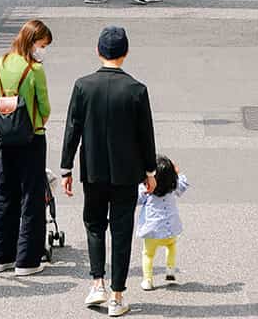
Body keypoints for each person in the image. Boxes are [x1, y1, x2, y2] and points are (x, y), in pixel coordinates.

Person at [61, 26, 158, 318]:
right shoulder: (137, 90)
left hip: (92, 170)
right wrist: (149, 170)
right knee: (121, 231)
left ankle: (96, 284)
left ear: (98, 51)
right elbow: (146, 135)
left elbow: (72, 129)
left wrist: (66, 168)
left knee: (93, 225)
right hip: (127, 173)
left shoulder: (83, 86)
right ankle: (117, 296)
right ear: (126, 53)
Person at [0, 19, 53, 276]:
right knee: (31, 197)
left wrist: (7, 120)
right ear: (32, 41)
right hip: (32, 139)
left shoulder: (0, 63)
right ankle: (27, 260)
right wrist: (31, 122)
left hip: (4, 140)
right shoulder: (34, 70)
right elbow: (44, 109)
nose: (43, 50)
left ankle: (1, 255)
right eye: (42, 44)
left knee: (5, 195)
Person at [136, 154, 189, 290]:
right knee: (171, 247)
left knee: (148, 254)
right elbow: (183, 183)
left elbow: (136, 199)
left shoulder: (146, 189)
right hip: (171, 230)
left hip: (152, 232)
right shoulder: (173, 186)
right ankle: (170, 270)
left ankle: (148, 280)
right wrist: (177, 172)